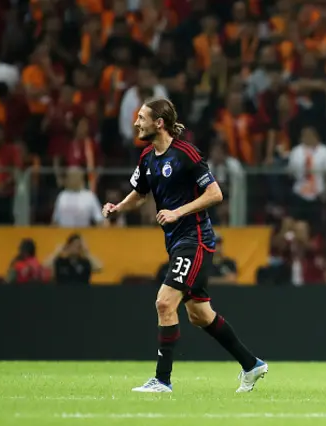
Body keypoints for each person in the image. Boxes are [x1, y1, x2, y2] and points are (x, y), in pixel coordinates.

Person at [102, 98, 267, 393]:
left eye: (142, 117)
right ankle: (251, 365)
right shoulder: (147, 158)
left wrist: (178, 211)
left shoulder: (185, 154)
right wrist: (118, 208)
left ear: (159, 123)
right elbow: (139, 194)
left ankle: (162, 380)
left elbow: (215, 194)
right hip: (177, 241)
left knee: (165, 303)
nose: (136, 122)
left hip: (196, 240)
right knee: (200, 315)